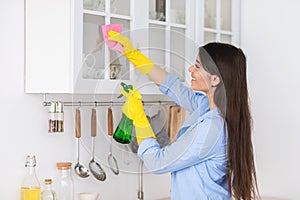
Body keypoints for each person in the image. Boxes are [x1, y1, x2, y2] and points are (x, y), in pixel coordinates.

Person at [108, 30, 259, 200]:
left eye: (197, 66)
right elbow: (173, 87)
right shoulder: (207, 107)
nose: (191, 69)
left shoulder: (211, 129)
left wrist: (139, 117)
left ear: (215, 79)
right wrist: (132, 54)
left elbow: (157, 162)